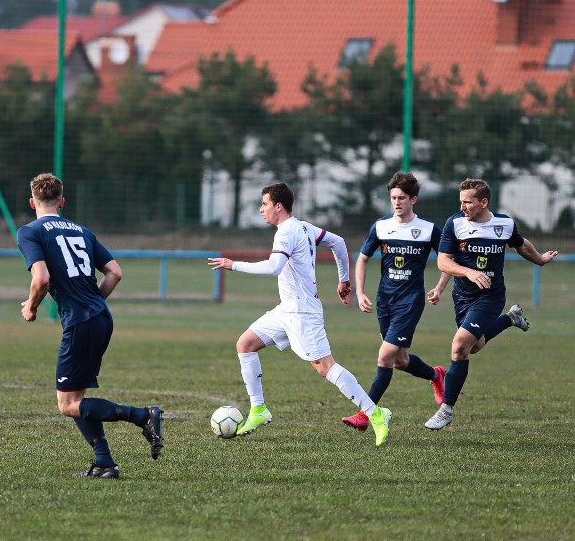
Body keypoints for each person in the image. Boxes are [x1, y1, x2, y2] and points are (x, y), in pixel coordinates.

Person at [208, 182, 392, 447]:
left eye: (265, 204)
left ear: (278, 207)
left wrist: (232, 264)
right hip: (287, 309)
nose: (261, 209)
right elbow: (338, 243)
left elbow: (274, 267)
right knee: (245, 344)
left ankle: (375, 414)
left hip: (303, 312)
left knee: (324, 367)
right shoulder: (304, 227)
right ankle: (258, 410)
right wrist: (343, 281)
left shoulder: (286, 233)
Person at [17, 173, 163, 478]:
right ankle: (104, 463)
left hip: (81, 322)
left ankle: (143, 416)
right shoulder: (82, 231)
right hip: (100, 317)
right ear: (62, 202)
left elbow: (41, 278)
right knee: (76, 399)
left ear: (33, 202)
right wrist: (92, 301)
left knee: (67, 404)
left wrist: (30, 307)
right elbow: (114, 273)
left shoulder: (30, 232)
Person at [425, 178, 558, 430]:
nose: (462, 207)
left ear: (483, 202)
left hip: (491, 296)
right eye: (461, 201)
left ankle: (446, 409)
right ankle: (511, 319)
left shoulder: (504, 224)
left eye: (468, 202)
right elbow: (443, 262)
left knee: (459, 347)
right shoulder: (455, 224)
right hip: (463, 296)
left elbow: (521, 245)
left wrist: (540, 259)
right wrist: (469, 272)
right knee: (474, 346)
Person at [342, 172, 451, 432]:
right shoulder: (381, 227)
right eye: (393, 197)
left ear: (413, 199)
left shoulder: (427, 230)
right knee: (400, 360)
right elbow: (363, 258)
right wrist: (360, 292)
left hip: (410, 302)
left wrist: (438, 288)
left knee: (384, 357)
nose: (397, 202)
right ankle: (435, 375)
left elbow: (446, 261)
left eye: (402, 198)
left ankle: (366, 414)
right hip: (385, 301)